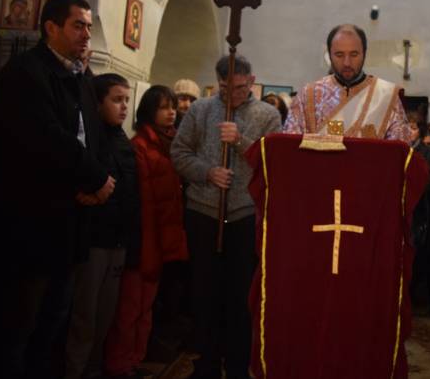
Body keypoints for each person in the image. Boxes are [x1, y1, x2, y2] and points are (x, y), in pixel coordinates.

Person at [0, 0, 115, 378]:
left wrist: (96, 181)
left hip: (66, 225)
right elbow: (47, 138)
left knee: (52, 324)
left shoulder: (79, 77)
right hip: (28, 223)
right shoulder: (25, 73)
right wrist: (95, 178)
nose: (86, 34)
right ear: (51, 27)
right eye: (78, 25)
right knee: (17, 326)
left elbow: (94, 136)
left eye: (89, 26)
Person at [171, 55, 280, 379]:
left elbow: (275, 163)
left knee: (239, 298)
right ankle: (205, 364)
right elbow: (179, 152)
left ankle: (236, 367)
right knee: (204, 294)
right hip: (203, 213)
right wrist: (207, 172)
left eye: (240, 88)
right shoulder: (200, 110)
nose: (232, 95)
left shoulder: (267, 115)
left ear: (252, 81)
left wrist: (241, 142)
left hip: (245, 216)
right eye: (225, 88)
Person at [105, 85, 188, 378]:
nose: (171, 113)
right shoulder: (140, 146)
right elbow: (143, 204)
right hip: (142, 240)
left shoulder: (169, 145)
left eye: (172, 107)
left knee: (145, 307)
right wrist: (147, 245)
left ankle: (135, 360)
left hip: (159, 240)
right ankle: (119, 364)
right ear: (149, 111)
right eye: (164, 107)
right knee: (130, 308)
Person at [65, 73, 141, 379]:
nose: (124, 107)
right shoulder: (89, 139)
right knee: (84, 315)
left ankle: (93, 370)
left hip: (118, 239)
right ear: (97, 103)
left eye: (126, 100)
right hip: (94, 238)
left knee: (105, 314)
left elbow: (129, 191)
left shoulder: (122, 140)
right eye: (116, 100)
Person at [284, 24, 410, 141]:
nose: (347, 63)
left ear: (364, 53)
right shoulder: (308, 95)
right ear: (329, 55)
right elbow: (290, 145)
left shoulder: (387, 96)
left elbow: (400, 150)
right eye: (339, 55)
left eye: (354, 55)